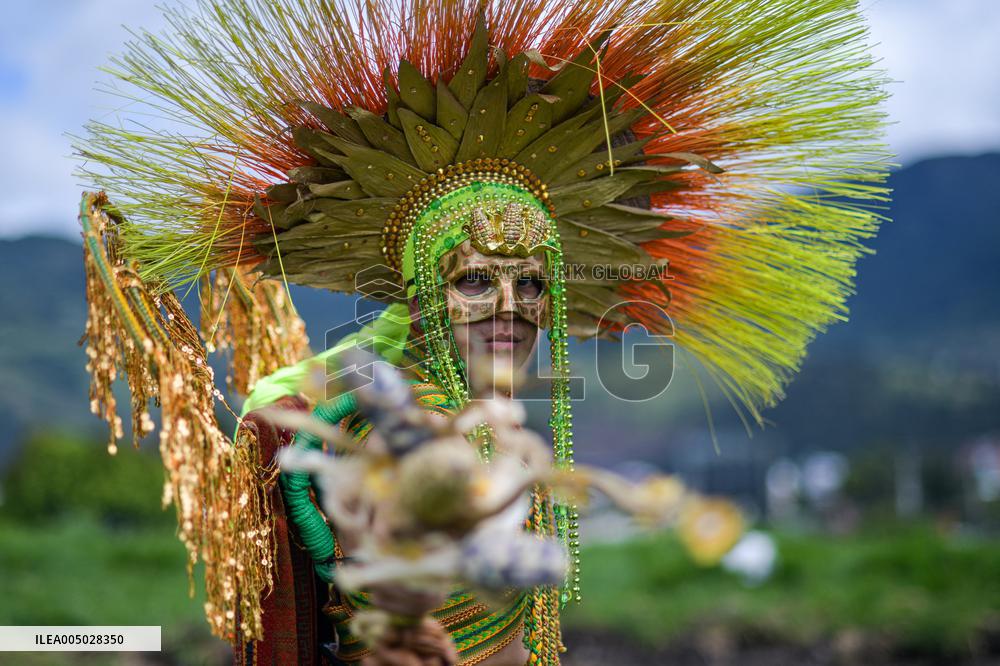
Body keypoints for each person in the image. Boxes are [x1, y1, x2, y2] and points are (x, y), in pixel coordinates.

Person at [75, 0, 891, 664]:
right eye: (474, 281)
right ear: (421, 296)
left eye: (532, 283)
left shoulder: (444, 419)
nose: (514, 306)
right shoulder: (402, 436)